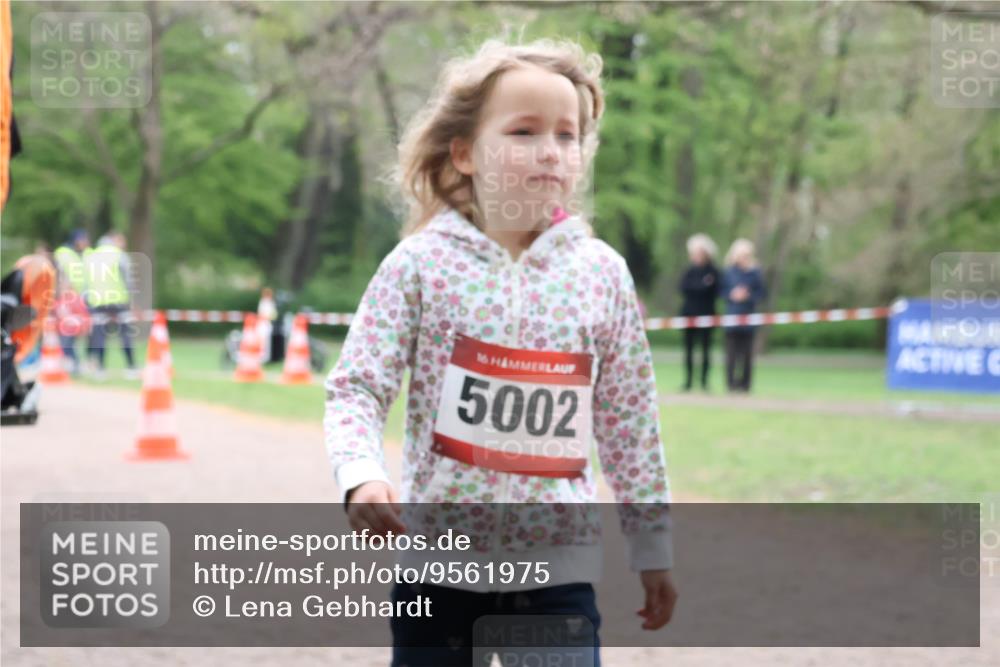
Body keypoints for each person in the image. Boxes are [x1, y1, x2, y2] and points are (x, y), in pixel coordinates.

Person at [323, 38, 676, 667]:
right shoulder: (421, 264)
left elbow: (630, 423)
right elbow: (357, 385)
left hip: (556, 580)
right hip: (435, 574)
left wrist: (653, 548)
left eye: (568, 136)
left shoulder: (602, 274)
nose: (550, 151)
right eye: (523, 131)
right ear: (464, 154)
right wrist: (360, 473)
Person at [84, 231, 138, 380]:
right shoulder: (119, 254)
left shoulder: (91, 257)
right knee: (125, 334)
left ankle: (101, 369)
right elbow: (128, 279)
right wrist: (131, 299)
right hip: (118, 300)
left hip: (98, 301)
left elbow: (86, 283)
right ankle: (131, 367)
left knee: (99, 336)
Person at [721, 238, 766, 393]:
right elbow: (722, 292)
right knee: (731, 354)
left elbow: (761, 293)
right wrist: (732, 295)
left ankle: (745, 385)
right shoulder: (729, 272)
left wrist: (748, 296)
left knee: (747, 355)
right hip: (732, 318)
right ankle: (731, 384)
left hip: (749, 318)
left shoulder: (755, 273)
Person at [678, 233, 720, 392]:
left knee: (705, 349)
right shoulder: (689, 271)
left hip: (707, 314)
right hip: (689, 314)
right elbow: (684, 288)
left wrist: (700, 288)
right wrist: (701, 287)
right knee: (688, 349)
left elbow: (714, 290)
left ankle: (704, 382)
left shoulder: (713, 271)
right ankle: (688, 381)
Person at [53, 230, 90, 375]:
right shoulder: (64, 254)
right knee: (65, 343)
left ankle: (76, 364)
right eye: (83, 240)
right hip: (67, 297)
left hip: (77, 299)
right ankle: (73, 364)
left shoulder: (82, 255)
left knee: (69, 342)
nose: (86, 243)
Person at [257, 287, 278, 363]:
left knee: (265, 343)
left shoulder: (269, 302)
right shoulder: (264, 302)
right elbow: (263, 315)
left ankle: (264, 358)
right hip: (263, 325)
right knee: (262, 342)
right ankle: (261, 358)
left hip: (266, 325)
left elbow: (273, 315)